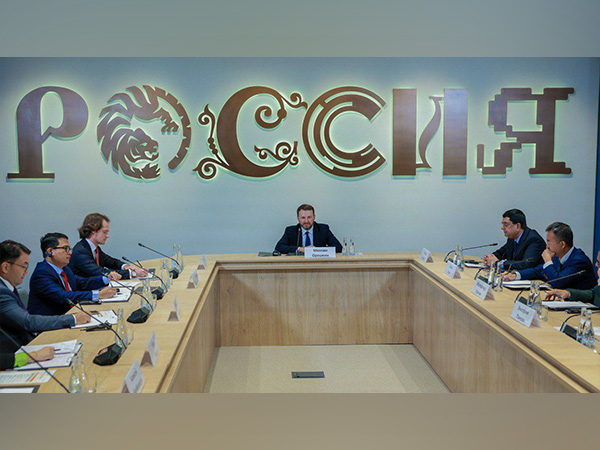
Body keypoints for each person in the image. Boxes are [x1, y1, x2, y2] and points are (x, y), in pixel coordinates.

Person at [0, 240, 90, 353]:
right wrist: (73, 318)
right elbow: (27, 322)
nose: (26, 273)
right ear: (5, 267)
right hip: (14, 351)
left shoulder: (8, 287)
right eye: (24, 267)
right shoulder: (2, 292)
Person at [28, 233, 116, 316]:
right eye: (65, 248)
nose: (70, 252)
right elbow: (64, 296)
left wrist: (106, 279)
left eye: (70, 249)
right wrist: (98, 294)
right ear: (50, 251)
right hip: (53, 321)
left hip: (72, 313)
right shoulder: (41, 273)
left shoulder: (64, 268)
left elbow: (81, 282)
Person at [503, 222, 596, 289]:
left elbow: (557, 282)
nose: (547, 246)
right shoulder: (557, 257)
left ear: (562, 244)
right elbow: (537, 271)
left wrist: (548, 261)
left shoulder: (579, 261)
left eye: (549, 242)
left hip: (582, 306)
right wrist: (515, 275)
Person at [69, 213, 147, 280]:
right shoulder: (80, 251)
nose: (107, 236)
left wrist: (126, 267)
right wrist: (133, 273)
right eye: (104, 232)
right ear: (93, 232)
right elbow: (100, 272)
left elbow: (110, 261)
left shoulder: (94, 248)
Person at [275, 204, 343, 254]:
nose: (306, 221)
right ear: (298, 219)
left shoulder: (323, 229)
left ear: (314, 217)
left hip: (318, 264)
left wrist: (315, 250)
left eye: (309, 217)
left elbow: (338, 247)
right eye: (303, 218)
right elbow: (279, 247)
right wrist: (300, 249)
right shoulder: (291, 231)